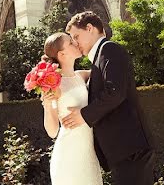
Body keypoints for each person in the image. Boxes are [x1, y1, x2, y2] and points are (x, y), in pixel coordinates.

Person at [61, 11, 155, 185]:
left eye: (76, 36)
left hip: (130, 149)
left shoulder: (109, 49)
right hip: (124, 150)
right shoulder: (99, 58)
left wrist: (83, 115)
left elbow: (115, 92)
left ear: (89, 29)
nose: (75, 43)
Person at [40, 32, 103, 185]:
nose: (75, 42)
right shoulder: (53, 86)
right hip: (68, 155)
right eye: (70, 42)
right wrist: (48, 106)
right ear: (62, 54)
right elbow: (52, 131)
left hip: (88, 153)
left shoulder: (81, 76)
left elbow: (103, 72)